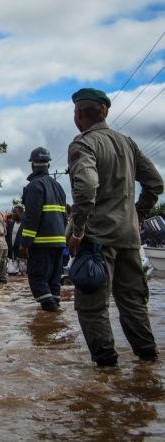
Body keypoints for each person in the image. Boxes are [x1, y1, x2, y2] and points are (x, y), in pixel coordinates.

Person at [68, 87, 163, 366]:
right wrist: (137, 214)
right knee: (134, 303)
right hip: (129, 238)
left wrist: (78, 231)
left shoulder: (83, 144)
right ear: (104, 111)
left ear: (77, 115)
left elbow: (86, 188)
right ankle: (148, 360)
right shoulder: (127, 143)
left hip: (97, 239)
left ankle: (107, 369)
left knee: (92, 306)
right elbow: (156, 183)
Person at [19, 147, 68, 312]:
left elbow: (32, 217)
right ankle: (55, 320)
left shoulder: (34, 186)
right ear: (48, 165)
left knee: (38, 279)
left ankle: (50, 311)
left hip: (41, 244)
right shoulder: (59, 187)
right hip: (59, 243)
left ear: (32, 165)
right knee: (54, 281)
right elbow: (64, 217)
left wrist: (25, 244)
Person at [6, 205, 27, 275]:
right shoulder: (10, 224)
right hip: (12, 253)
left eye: (15, 212)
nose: (13, 214)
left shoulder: (26, 224)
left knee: (24, 274)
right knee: (11, 273)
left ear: (21, 213)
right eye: (13, 212)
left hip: (22, 254)